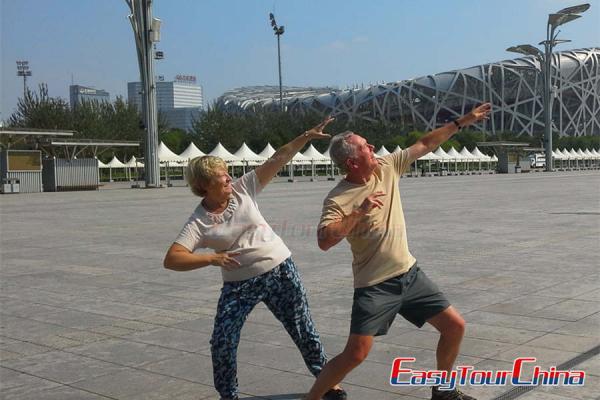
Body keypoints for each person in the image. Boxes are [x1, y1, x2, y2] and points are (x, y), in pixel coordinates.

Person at [305, 104, 492, 400]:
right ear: (352, 163)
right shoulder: (338, 198)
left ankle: (443, 392)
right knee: (356, 354)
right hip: (375, 286)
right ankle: (313, 398)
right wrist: (358, 212)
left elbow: (425, 143)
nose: (373, 147)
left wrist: (463, 121)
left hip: (410, 274)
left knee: (455, 327)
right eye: (366, 147)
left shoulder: (386, 167)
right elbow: (325, 240)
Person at [163, 117, 347, 400]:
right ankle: (229, 394)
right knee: (223, 339)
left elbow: (278, 158)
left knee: (302, 327)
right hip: (239, 284)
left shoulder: (243, 188)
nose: (228, 178)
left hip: (280, 269)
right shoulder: (198, 222)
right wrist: (211, 259)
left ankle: (328, 385)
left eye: (226, 173)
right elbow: (173, 258)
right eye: (220, 176)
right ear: (204, 186)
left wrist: (306, 136)